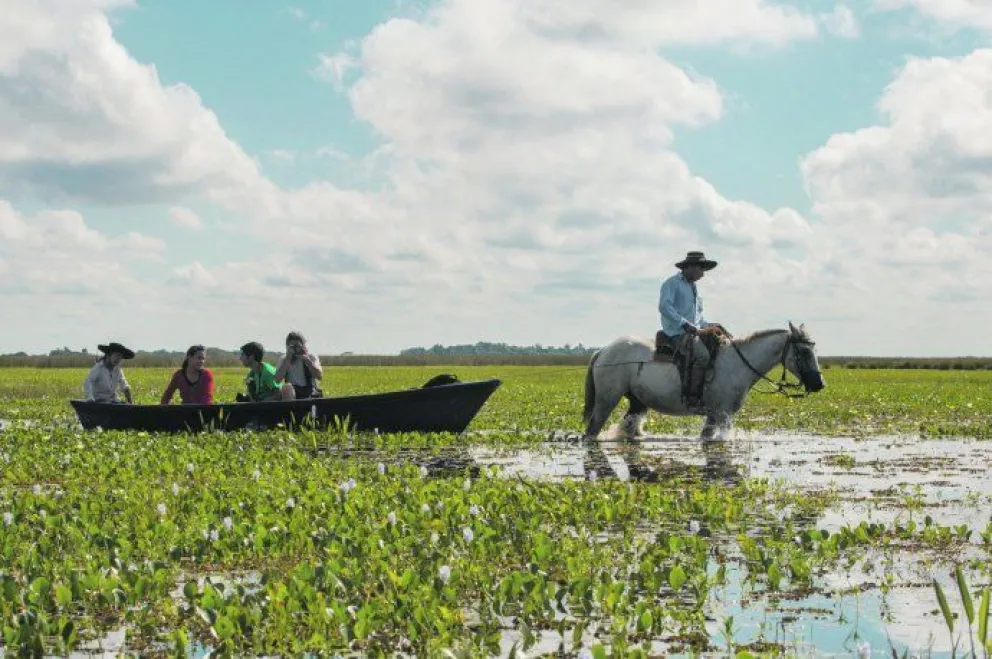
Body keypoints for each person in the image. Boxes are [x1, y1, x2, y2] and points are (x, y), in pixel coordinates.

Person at [658, 251, 725, 409]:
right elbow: (664, 307)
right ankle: (693, 398)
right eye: (701, 270)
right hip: (677, 332)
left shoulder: (693, 288)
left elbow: (698, 320)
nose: (703, 274)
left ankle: (707, 391)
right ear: (691, 267)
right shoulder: (672, 283)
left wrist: (710, 325)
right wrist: (684, 323)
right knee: (702, 356)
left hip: (691, 330)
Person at [274, 331, 323, 399]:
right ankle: (289, 408)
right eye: (292, 346)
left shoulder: (311, 357)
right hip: (292, 393)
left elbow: (319, 377)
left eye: (297, 346)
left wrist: (307, 361)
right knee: (286, 388)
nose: (295, 349)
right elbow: (277, 380)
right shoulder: (283, 359)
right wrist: (287, 360)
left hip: (310, 391)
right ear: (287, 347)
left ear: (303, 346)